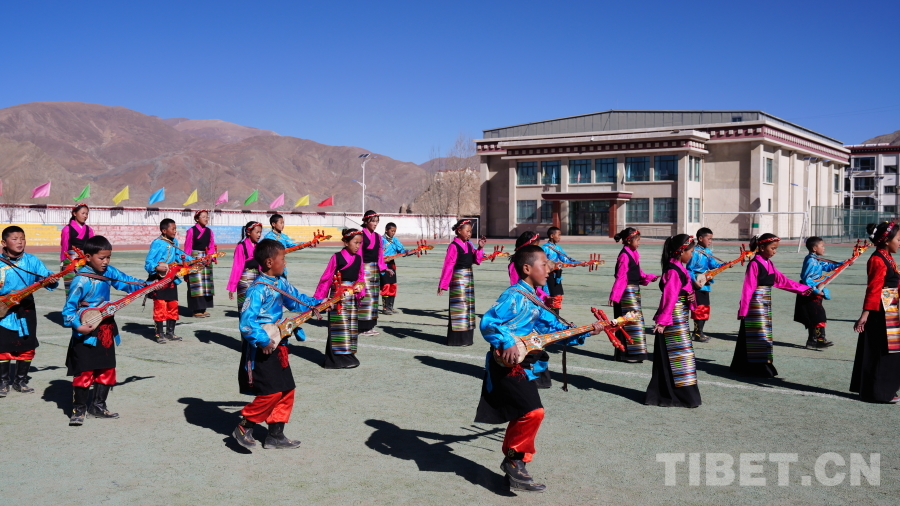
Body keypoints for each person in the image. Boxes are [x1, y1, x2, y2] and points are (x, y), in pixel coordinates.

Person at [475, 244, 603, 492]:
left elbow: (554, 330)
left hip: (526, 364)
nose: (549, 269)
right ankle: (514, 461)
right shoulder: (513, 296)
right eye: (544, 264)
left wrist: (587, 331)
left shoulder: (536, 300)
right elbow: (489, 322)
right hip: (506, 364)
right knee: (533, 412)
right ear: (527, 268)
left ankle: (515, 465)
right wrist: (507, 341)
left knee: (525, 412)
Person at [232, 239, 322, 450]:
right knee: (271, 392)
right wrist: (263, 340)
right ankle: (245, 425)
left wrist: (321, 303)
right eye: (283, 258)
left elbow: (297, 300)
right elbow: (246, 323)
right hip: (262, 347)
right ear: (270, 262)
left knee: (286, 389)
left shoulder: (281, 283)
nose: (285, 263)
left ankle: (275, 435)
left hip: (280, 342)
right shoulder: (257, 290)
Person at [62, 235, 152, 426]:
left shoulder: (109, 272)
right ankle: (79, 409)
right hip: (86, 331)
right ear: (88, 257)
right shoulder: (80, 280)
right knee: (84, 371)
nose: (105, 262)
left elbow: (128, 282)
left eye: (108, 257)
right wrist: (78, 326)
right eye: (101, 258)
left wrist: (149, 285)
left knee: (106, 369)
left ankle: (98, 406)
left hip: (106, 329)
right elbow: (68, 311)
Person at [731, 234, 814, 378]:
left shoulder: (769, 263)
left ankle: (755, 364)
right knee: (758, 334)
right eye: (773, 248)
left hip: (765, 302)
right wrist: (743, 309)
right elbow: (748, 288)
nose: (775, 251)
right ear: (762, 247)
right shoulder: (754, 264)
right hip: (755, 303)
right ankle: (756, 366)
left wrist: (803, 289)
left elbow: (782, 281)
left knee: (764, 334)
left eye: (776, 248)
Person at [0, 226, 58, 397]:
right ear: (4, 243)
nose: (20, 242)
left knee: (27, 345)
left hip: (26, 308)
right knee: (2, 346)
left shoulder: (32, 261)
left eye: (22, 238)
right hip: (3, 309)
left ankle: (20, 381)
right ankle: (3, 382)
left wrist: (50, 279)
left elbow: (46, 276)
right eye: (14, 239)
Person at [645, 234, 701, 408]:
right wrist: (662, 322)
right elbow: (669, 298)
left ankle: (680, 395)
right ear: (681, 251)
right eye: (690, 251)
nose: (692, 254)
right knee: (677, 356)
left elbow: (684, 291)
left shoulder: (679, 268)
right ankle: (671, 395)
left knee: (683, 357)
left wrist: (691, 296)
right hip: (672, 319)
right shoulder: (673, 270)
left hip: (679, 317)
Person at [851, 222, 900, 403]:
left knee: (891, 351)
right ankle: (878, 392)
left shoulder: (887, 257)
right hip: (880, 312)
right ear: (887, 240)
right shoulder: (877, 259)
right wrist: (865, 315)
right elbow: (874, 289)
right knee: (882, 351)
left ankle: (885, 389)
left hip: (890, 308)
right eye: (898, 239)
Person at [507, 232, 553, 389]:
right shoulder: (516, 266)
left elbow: (535, 288)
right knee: (532, 346)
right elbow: (522, 288)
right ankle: (528, 377)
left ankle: (538, 378)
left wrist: (545, 297)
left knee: (539, 344)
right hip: (524, 310)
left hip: (536, 305)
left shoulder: (535, 264)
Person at [315, 229, 366, 369]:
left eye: (360, 243)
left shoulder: (359, 258)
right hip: (338, 297)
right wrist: (319, 299)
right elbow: (326, 278)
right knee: (339, 326)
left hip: (352, 297)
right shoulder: (336, 257)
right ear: (346, 242)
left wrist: (360, 289)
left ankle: (348, 355)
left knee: (350, 327)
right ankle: (335, 360)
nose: (358, 246)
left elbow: (361, 277)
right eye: (355, 242)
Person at [608, 227, 658, 363]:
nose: (639, 243)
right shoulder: (624, 255)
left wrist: (649, 277)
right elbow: (621, 277)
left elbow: (638, 273)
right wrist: (614, 295)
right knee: (630, 321)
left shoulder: (633, 253)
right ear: (629, 241)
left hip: (634, 291)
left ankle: (634, 353)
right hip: (626, 292)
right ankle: (628, 354)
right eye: (638, 240)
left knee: (635, 321)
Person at [438, 219, 486, 346]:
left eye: (471, 231)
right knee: (459, 308)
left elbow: (476, 260)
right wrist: (443, 284)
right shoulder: (453, 246)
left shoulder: (469, 245)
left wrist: (480, 247)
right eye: (467, 231)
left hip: (468, 279)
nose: (469, 234)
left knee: (468, 308)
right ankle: (456, 340)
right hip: (458, 280)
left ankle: (467, 339)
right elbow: (448, 265)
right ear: (459, 231)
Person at [144, 218, 189, 344]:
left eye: (175, 229)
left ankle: (170, 333)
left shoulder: (175, 242)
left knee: (173, 305)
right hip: (159, 280)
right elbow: (148, 262)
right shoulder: (157, 243)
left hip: (171, 280)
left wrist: (196, 261)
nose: (175, 231)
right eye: (173, 229)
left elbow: (180, 257)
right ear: (164, 231)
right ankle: (159, 334)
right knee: (160, 306)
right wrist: (156, 267)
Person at [793, 236, 838, 350]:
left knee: (814, 316)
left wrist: (843, 264)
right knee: (818, 315)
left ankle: (812, 341)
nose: (824, 248)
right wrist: (816, 291)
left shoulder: (817, 259)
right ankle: (820, 340)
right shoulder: (811, 261)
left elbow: (828, 266)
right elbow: (807, 279)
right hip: (810, 292)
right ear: (814, 248)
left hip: (815, 291)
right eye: (822, 246)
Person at [358, 210, 393, 335]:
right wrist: (358, 270)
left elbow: (379, 256)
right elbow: (358, 255)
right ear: (366, 221)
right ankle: (362, 327)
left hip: (374, 271)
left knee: (373, 298)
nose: (375, 224)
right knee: (364, 297)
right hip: (363, 270)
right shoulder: (360, 236)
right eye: (373, 221)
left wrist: (384, 268)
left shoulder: (378, 237)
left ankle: (370, 326)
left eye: (377, 221)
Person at [685, 227, 723, 343]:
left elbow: (713, 265)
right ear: (700, 238)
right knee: (699, 309)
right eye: (709, 239)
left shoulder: (708, 252)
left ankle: (699, 332)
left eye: (711, 239)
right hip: (697, 284)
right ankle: (697, 333)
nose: (710, 241)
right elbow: (689, 269)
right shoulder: (694, 252)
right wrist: (694, 281)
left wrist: (725, 265)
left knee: (705, 308)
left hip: (705, 284)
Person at [183, 210, 217, 318]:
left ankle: (203, 308)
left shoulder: (209, 231)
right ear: (197, 219)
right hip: (195, 259)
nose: (206, 219)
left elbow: (211, 245)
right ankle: (196, 309)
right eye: (203, 217)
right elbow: (188, 247)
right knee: (196, 284)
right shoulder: (191, 231)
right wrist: (188, 262)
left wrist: (209, 257)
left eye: (207, 217)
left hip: (206, 259)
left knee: (206, 284)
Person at [228, 221, 263, 313]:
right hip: (244, 280)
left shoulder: (259, 247)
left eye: (260, 232)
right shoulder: (241, 247)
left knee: (257, 306)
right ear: (248, 232)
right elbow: (237, 268)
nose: (259, 235)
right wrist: (232, 287)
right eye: (257, 232)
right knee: (245, 306)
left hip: (257, 280)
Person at [541, 226, 579, 311]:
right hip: (547, 277)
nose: (560, 237)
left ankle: (555, 314)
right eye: (558, 235)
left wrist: (579, 263)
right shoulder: (545, 248)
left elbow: (566, 259)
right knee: (548, 297)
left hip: (556, 277)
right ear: (552, 236)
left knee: (558, 297)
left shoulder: (557, 248)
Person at [60, 204, 94, 296]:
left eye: (86, 214)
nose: (85, 216)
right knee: (71, 289)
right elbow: (64, 248)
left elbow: (92, 248)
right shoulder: (67, 229)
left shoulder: (89, 230)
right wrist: (63, 263)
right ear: (74, 213)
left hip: (86, 262)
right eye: (83, 213)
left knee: (86, 289)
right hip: (71, 262)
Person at [380, 222, 405, 315]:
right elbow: (378, 253)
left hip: (392, 265)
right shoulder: (381, 240)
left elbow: (401, 250)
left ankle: (390, 307)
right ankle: (385, 308)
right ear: (386, 230)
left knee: (393, 285)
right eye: (392, 231)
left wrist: (410, 252)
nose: (393, 233)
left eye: (394, 231)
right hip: (383, 265)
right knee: (386, 285)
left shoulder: (395, 240)